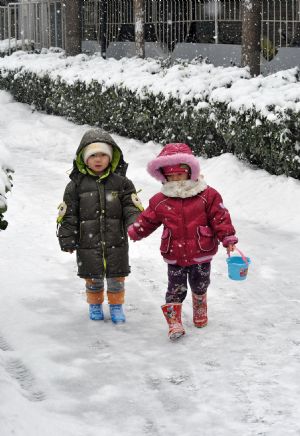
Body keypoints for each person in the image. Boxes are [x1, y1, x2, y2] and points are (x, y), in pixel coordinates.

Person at [127, 143, 238, 340]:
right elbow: (149, 219)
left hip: (201, 252)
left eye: (180, 174)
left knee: (200, 283)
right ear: (163, 176)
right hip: (174, 254)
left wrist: (227, 237)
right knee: (175, 288)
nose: (176, 179)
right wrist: (137, 231)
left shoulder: (208, 195)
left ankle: (200, 306)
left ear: (190, 172)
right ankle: (174, 322)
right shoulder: (160, 200)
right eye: (171, 176)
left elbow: (220, 217)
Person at [57, 128, 142, 324]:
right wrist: (67, 236)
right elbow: (68, 214)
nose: (98, 159)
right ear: (84, 158)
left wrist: (135, 223)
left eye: (103, 154)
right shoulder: (75, 185)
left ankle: (116, 306)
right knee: (93, 278)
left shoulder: (122, 182)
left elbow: (131, 205)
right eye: (93, 155)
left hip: (116, 240)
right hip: (88, 242)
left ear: (111, 157)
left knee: (116, 278)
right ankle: (95, 305)